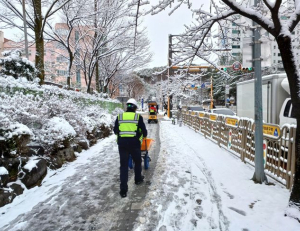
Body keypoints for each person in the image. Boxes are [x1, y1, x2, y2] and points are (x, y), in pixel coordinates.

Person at [113, 98, 148, 198]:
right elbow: (144, 131)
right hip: (134, 144)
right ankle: (137, 179)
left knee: (123, 166)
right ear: (135, 108)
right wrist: (141, 134)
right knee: (137, 161)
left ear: (127, 107)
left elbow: (115, 131)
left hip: (122, 145)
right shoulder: (138, 117)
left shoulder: (119, 117)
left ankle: (123, 190)